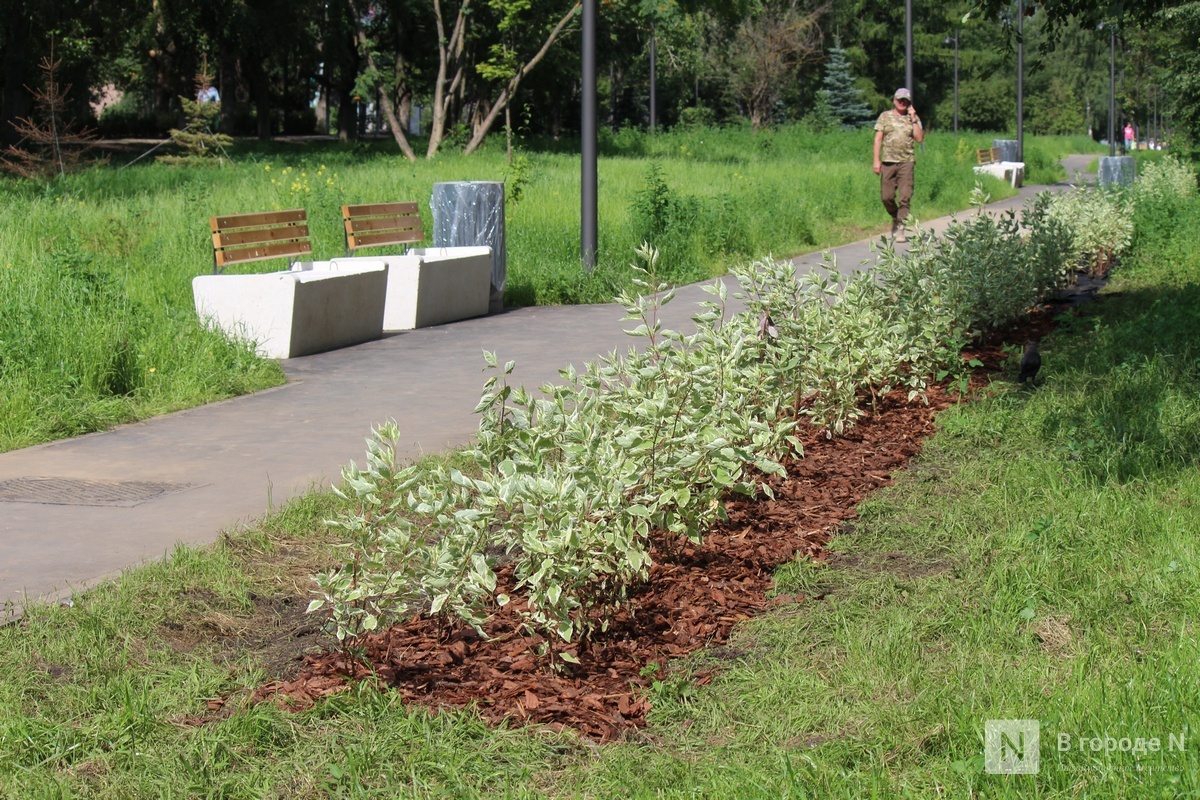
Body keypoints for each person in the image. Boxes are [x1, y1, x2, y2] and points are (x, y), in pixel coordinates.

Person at [873, 88, 924, 243]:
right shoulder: (885, 116)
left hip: (906, 162)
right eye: (899, 100)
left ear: (909, 102)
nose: (902, 103)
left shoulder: (913, 118)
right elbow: (878, 139)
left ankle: (900, 227)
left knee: (905, 197)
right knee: (886, 197)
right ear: (894, 100)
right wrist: (876, 160)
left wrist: (914, 118)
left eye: (905, 101)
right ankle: (896, 217)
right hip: (888, 161)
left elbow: (920, 138)